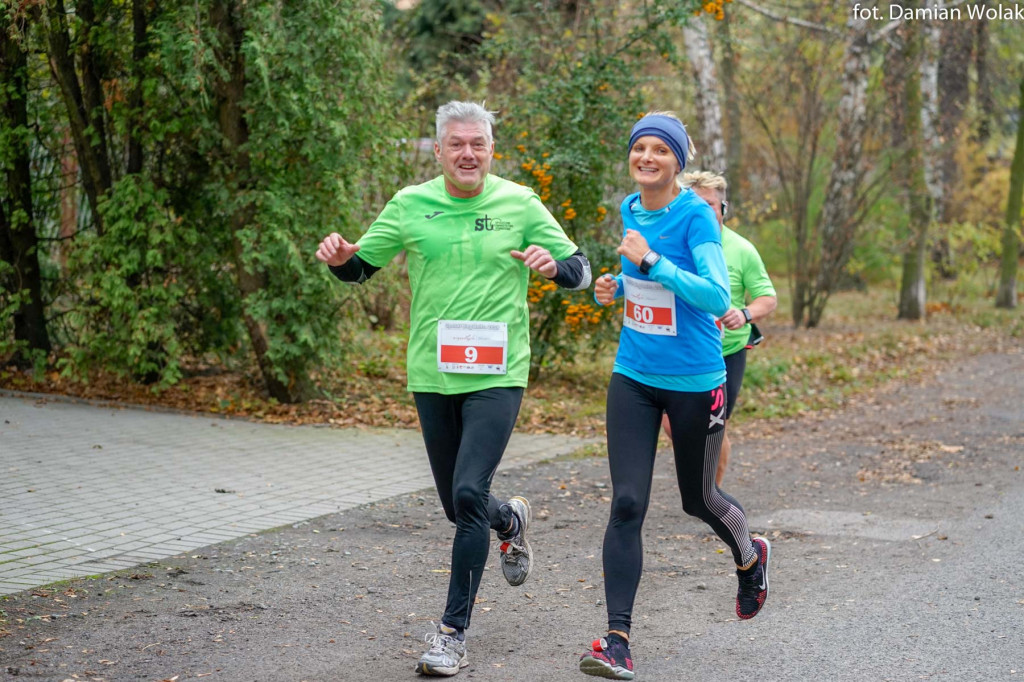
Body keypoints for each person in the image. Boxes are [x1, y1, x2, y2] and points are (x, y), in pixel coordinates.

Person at [315, 101, 591, 677]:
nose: (468, 154)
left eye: (479, 144)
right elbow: (363, 267)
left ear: (492, 150)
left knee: (468, 493)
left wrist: (553, 268)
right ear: (439, 150)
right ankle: (509, 520)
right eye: (457, 144)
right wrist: (342, 260)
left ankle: (450, 635)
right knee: (457, 504)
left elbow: (581, 270)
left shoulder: (520, 203)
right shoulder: (410, 204)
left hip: (498, 374)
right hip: (434, 375)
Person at [579, 113, 770, 681]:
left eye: (661, 149)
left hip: (695, 381)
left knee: (698, 499)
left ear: (678, 163)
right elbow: (644, 287)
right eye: (640, 147)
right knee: (627, 504)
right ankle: (617, 642)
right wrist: (613, 288)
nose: (648, 157)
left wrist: (650, 261)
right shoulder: (629, 209)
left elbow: (715, 295)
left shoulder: (695, 218)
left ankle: (750, 555)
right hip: (634, 375)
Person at [660, 171, 777, 487]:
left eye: (710, 204)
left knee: (715, 426)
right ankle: (698, 467)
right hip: (680, 348)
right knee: (673, 424)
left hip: (726, 353)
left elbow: (768, 297)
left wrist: (744, 313)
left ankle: (712, 491)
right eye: (696, 203)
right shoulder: (674, 242)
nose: (704, 210)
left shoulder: (741, 249)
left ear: (723, 207)